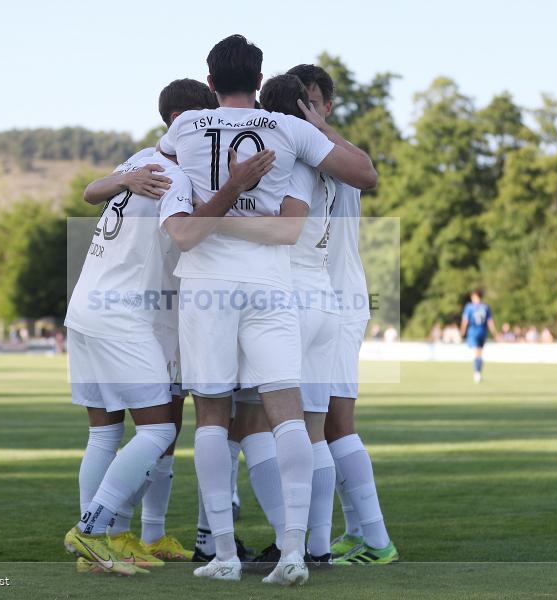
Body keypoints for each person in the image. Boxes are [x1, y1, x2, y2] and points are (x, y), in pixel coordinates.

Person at [159, 35, 376, 585]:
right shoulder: (288, 130)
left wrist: (216, 208)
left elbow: (166, 168)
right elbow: (360, 174)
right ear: (259, 81)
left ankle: (224, 554)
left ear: (210, 82)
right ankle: (296, 553)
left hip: (208, 285)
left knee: (214, 418)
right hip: (274, 285)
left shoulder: (186, 126)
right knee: (290, 417)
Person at [62, 78, 274, 576]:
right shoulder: (174, 175)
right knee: (158, 428)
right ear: (183, 123)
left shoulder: (141, 159)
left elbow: (92, 190)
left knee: (105, 434)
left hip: (88, 306)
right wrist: (235, 188)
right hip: (125, 313)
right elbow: (189, 233)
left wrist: (124, 180)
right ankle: (92, 530)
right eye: (206, 123)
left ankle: (118, 541)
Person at [278, 64, 399, 567]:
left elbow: (367, 171)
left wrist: (319, 128)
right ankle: (353, 533)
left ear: (326, 107)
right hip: (330, 297)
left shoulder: (331, 151)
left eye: (311, 103)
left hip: (337, 297)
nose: (302, 113)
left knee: (335, 424)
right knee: (326, 425)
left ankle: (373, 540)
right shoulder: (314, 149)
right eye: (297, 104)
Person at [459, 289, 498, 383]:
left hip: (474, 332)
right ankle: (478, 372)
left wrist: (462, 331)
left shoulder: (469, 307)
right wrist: (494, 333)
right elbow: (490, 321)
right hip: (482, 332)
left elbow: (465, 320)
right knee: (479, 353)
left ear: (475, 297)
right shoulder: (486, 307)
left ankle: (477, 373)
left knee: (478, 354)